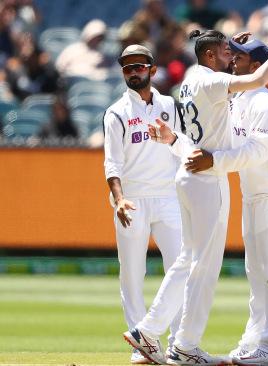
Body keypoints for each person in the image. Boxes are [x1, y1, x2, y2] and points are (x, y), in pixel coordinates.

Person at [123, 12, 268, 365]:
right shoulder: (215, 83)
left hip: (191, 172)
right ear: (210, 55)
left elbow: (204, 134)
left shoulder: (191, 77)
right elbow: (261, 76)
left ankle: (150, 332)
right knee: (203, 268)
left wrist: (174, 139)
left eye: (235, 54)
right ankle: (183, 346)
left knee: (188, 261)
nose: (231, 59)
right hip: (207, 180)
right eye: (226, 53)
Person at [190, 37, 268, 366]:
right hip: (253, 194)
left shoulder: (264, 102)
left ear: (257, 66)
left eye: (240, 57)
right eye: (233, 55)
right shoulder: (239, 98)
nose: (233, 61)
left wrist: (216, 161)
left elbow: (258, 151)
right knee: (256, 272)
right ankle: (254, 341)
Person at [103, 44, 183, 365]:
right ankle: (143, 346)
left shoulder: (169, 105)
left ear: (152, 69)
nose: (133, 72)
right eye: (127, 68)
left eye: (139, 67)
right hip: (132, 199)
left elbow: (182, 148)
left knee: (180, 267)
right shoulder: (116, 112)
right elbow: (112, 164)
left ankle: (179, 343)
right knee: (132, 273)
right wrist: (120, 199)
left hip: (168, 197)